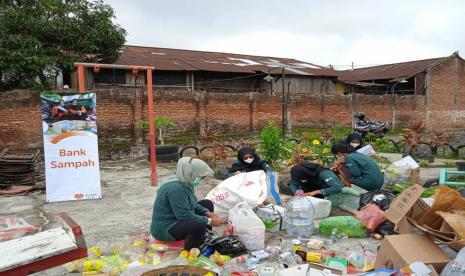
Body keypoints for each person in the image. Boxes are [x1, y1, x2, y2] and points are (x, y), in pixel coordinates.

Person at [150, 157, 225, 250]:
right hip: (165, 228)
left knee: (207, 204)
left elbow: (192, 203)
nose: (202, 179)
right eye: (201, 177)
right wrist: (209, 221)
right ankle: (192, 249)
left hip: (177, 219)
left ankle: (204, 237)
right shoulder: (176, 189)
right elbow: (184, 216)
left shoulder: (185, 181)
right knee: (198, 225)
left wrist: (208, 213)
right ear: (191, 173)